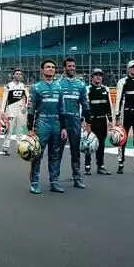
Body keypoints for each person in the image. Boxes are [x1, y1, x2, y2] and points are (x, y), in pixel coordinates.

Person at [27, 59, 66, 194]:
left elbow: (62, 109)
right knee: (37, 154)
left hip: (56, 123)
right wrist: (30, 129)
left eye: (53, 67)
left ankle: (54, 182)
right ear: (42, 70)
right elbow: (31, 109)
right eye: (48, 67)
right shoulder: (36, 87)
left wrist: (63, 127)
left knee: (55, 154)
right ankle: (34, 183)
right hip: (42, 123)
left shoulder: (59, 87)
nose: (51, 69)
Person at [57, 57, 91, 189]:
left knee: (75, 151)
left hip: (75, 122)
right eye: (69, 66)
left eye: (73, 66)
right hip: (61, 122)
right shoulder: (58, 83)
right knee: (57, 151)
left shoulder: (80, 85)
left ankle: (77, 178)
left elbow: (85, 105)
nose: (72, 68)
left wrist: (88, 122)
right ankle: (55, 179)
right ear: (64, 68)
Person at [85, 68, 113, 175]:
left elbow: (108, 106)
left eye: (100, 75)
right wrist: (86, 121)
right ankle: (87, 166)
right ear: (92, 77)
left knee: (101, 144)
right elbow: (85, 107)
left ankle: (100, 166)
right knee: (89, 143)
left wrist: (110, 120)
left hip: (102, 121)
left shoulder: (106, 89)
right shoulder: (88, 89)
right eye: (96, 75)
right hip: (92, 122)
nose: (98, 77)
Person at [0, 68, 28, 156]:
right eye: (17, 74)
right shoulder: (8, 86)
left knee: (20, 132)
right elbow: (4, 100)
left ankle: (20, 149)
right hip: (10, 112)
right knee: (9, 131)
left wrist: (25, 107)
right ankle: (5, 148)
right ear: (13, 75)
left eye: (20, 74)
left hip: (20, 112)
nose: (19, 75)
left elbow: (27, 97)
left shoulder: (23, 86)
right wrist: (2, 111)